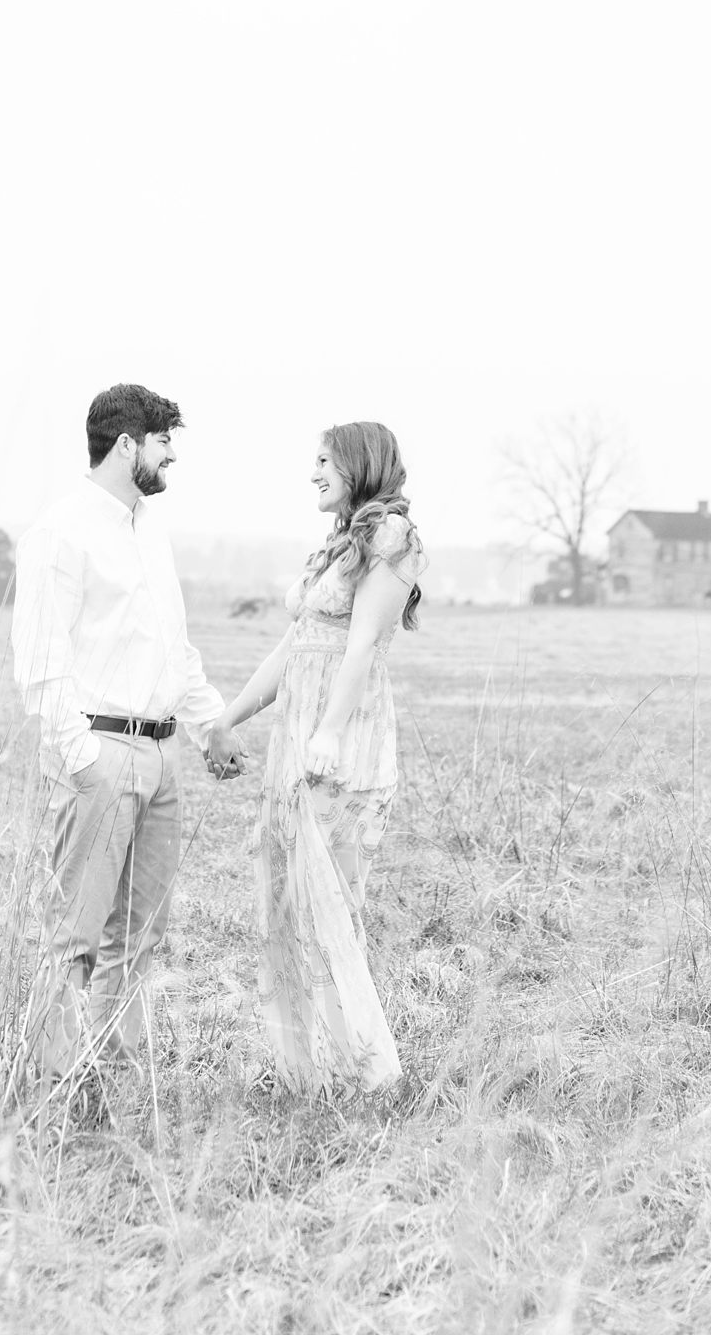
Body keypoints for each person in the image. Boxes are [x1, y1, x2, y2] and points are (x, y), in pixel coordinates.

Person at [10, 382, 240, 1093]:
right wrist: (84, 763)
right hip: (101, 754)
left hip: (165, 755)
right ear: (126, 444)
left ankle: (114, 1071)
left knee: (140, 937)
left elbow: (174, 648)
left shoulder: (150, 531)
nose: (171, 455)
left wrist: (210, 729)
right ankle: (48, 1076)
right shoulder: (61, 532)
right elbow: (39, 666)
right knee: (73, 937)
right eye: (163, 441)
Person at [207, 421, 424, 1095]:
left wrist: (328, 735)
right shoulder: (338, 546)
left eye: (324, 460)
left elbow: (359, 648)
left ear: (358, 464)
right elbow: (292, 649)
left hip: (341, 746)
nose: (313, 473)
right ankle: (309, 1073)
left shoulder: (393, 539)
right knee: (287, 908)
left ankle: (368, 1074)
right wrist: (227, 716)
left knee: (326, 906)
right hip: (293, 744)